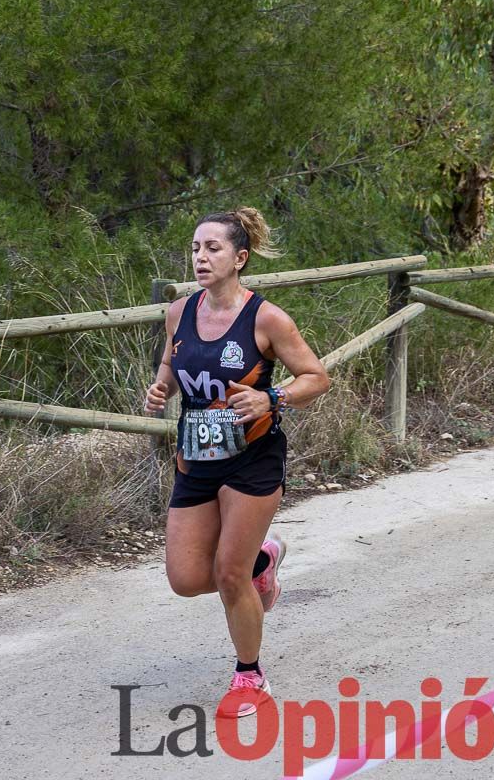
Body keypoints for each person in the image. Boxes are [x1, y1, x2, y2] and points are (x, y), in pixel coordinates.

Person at [144, 207, 330, 716]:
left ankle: (250, 677)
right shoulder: (179, 312)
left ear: (239, 257)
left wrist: (273, 399)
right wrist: (162, 386)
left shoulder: (267, 319)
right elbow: (171, 360)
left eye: (213, 248)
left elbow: (316, 377)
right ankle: (262, 562)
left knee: (228, 574)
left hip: (253, 458)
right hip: (196, 455)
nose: (201, 257)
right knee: (184, 578)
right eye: (196, 248)